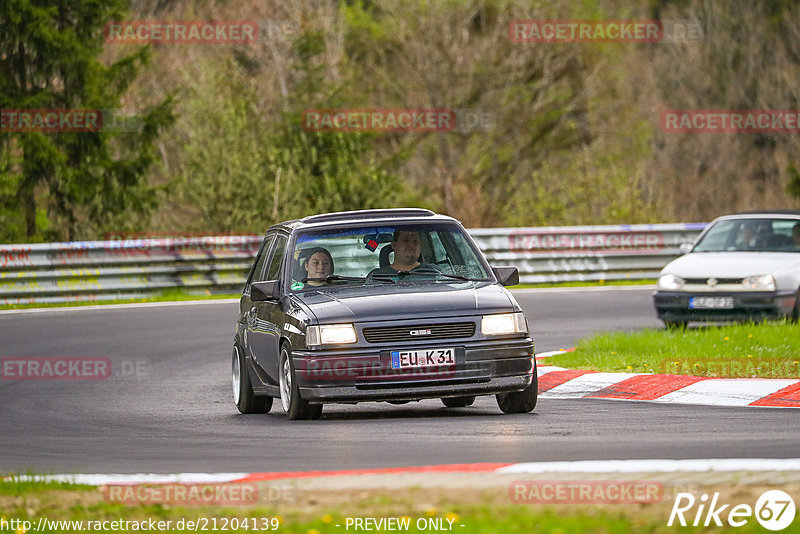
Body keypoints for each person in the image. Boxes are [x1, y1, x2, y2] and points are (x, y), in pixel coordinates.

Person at [369, 228, 439, 277]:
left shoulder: (435, 273)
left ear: (420, 246)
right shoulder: (376, 277)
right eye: (406, 240)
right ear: (394, 245)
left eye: (415, 241)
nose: (411, 245)